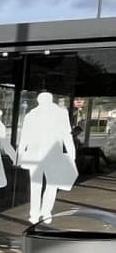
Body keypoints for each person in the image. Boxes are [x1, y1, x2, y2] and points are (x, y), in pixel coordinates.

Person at [16, 92, 78, 224]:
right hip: (49, 155)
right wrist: (72, 154)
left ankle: (37, 214)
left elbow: (24, 138)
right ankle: (44, 212)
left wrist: (20, 155)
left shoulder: (32, 115)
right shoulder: (56, 114)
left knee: (39, 185)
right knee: (50, 185)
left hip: (39, 156)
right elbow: (67, 135)